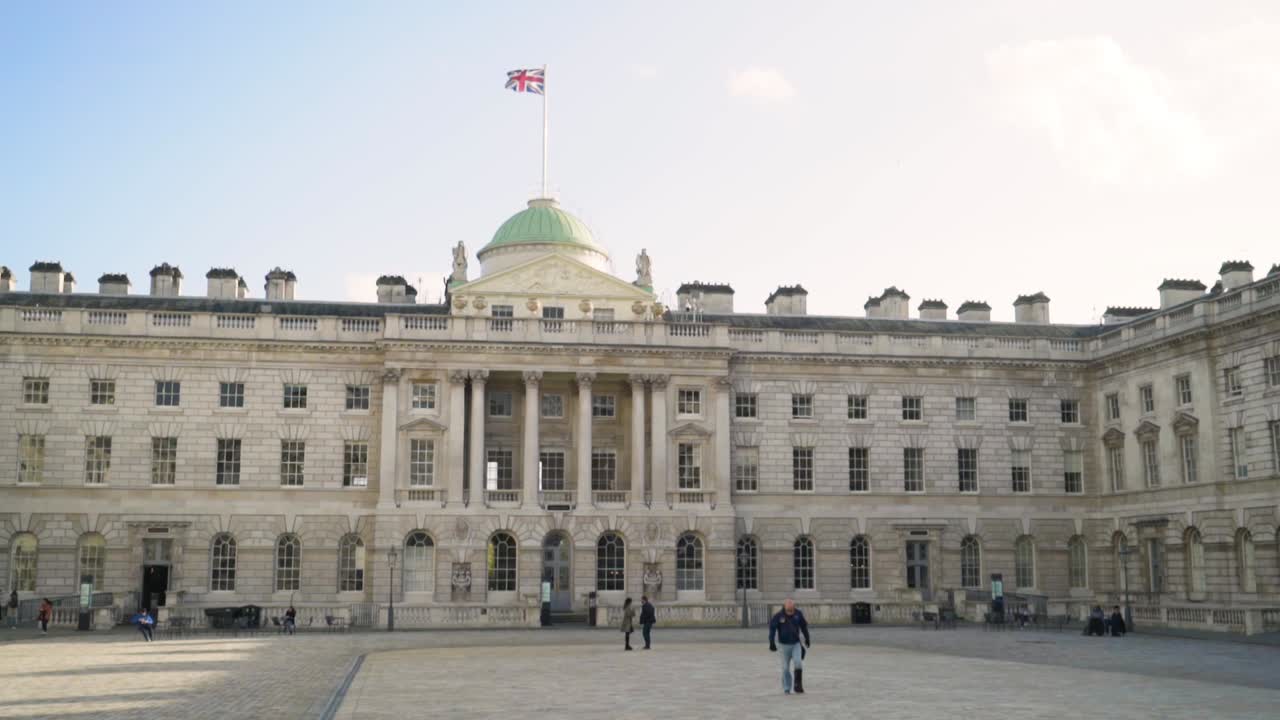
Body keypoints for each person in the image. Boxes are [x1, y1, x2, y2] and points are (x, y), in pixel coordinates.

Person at [768, 598, 811, 694]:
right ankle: (787, 687)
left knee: (798, 663)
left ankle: (798, 685)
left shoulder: (798, 614)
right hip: (783, 646)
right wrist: (771, 642)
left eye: (792, 610)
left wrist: (807, 638)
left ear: (794, 608)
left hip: (796, 644)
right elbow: (772, 629)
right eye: (788, 611)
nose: (790, 612)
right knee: (785, 668)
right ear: (785, 608)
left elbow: (804, 626)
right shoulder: (778, 616)